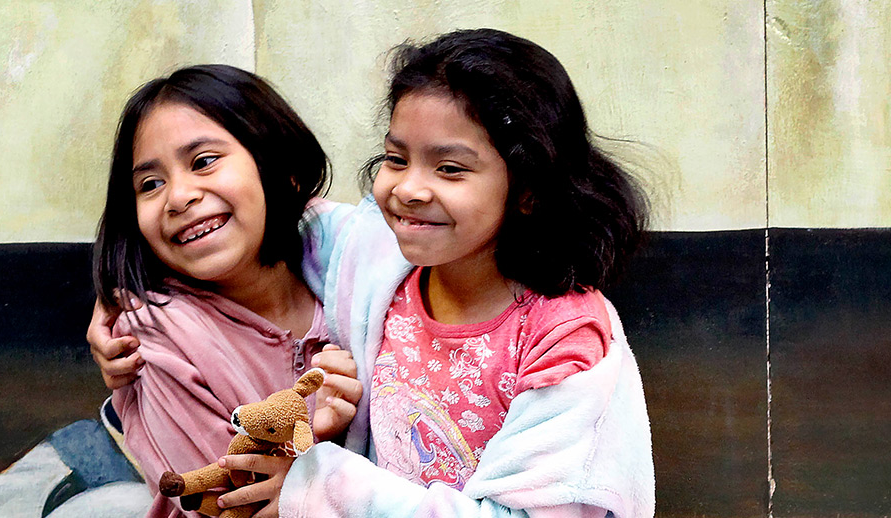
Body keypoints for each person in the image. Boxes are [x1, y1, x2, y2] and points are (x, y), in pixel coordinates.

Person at [91, 28, 655, 518]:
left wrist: (322, 486)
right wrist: (117, 290)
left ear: (529, 187)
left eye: (450, 168)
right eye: (395, 158)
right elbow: (279, 218)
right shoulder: (380, 257)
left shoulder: (565, 339)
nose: (408, 188)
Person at [91, 64, 363, 518]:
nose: (178, 197)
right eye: (150, 184)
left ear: (281, 168)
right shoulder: (157, 332)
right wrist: (320, 439)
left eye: (203, 161)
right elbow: (223, 505)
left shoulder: (357, 283)